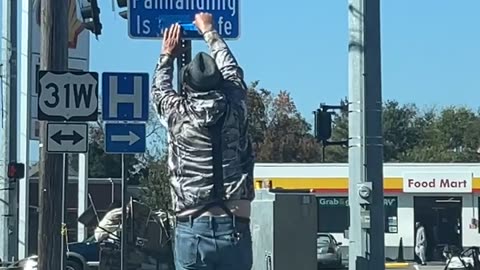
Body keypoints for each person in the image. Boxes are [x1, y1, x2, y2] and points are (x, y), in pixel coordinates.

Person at [151, 12, 255, 270]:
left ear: (186, 87)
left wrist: (167, 54)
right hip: (236, 221)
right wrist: (209, 31)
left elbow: (159, 89)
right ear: (219, 83)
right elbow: (232, 71)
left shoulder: (178, 114)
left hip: (192, 223)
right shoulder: (235, 105)